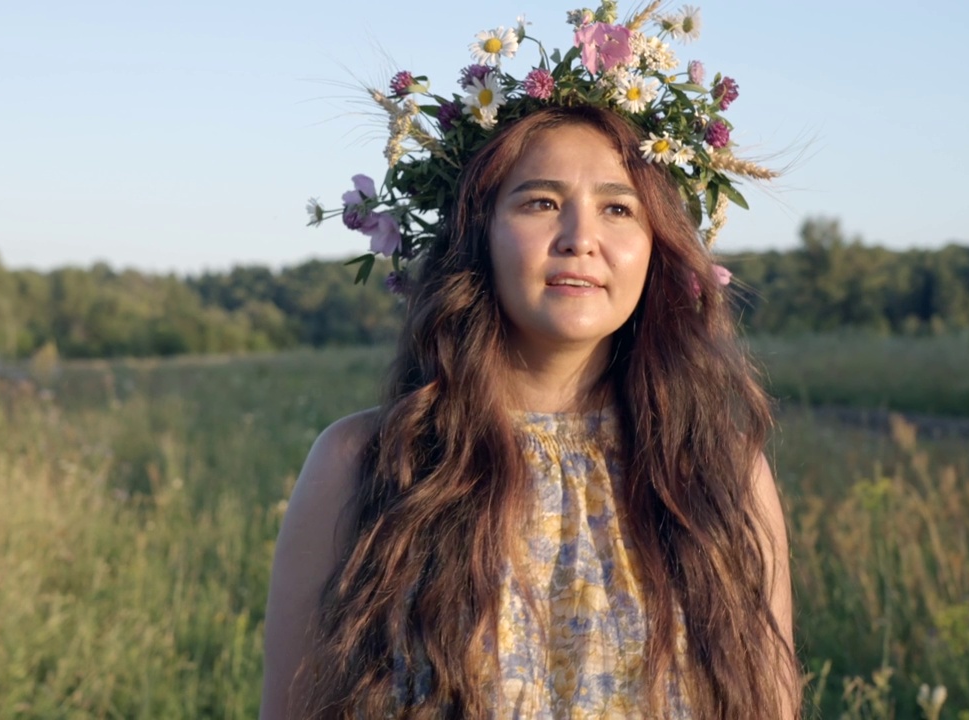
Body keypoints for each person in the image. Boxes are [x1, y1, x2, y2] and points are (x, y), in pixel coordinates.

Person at [263, 4, 800, 718]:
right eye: (541, 202)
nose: (581, 237)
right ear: (476, 235)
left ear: (657, 246)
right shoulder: (360, 463)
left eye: (618, 209)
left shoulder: (722, 471)